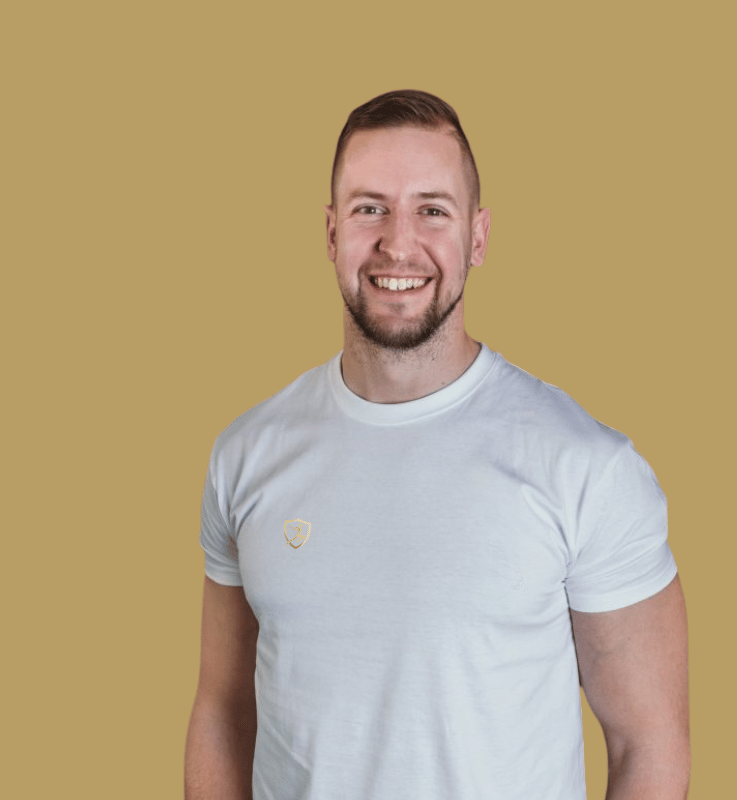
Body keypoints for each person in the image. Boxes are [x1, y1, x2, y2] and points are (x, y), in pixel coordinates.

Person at [184, 90, 690, 800]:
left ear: (477, 237)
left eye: (432, 210)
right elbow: (222, 712)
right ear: (331, 232)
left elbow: (649, 743)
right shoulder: (246, 455)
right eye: (370, 208)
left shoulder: (587, 468)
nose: (398, 244)